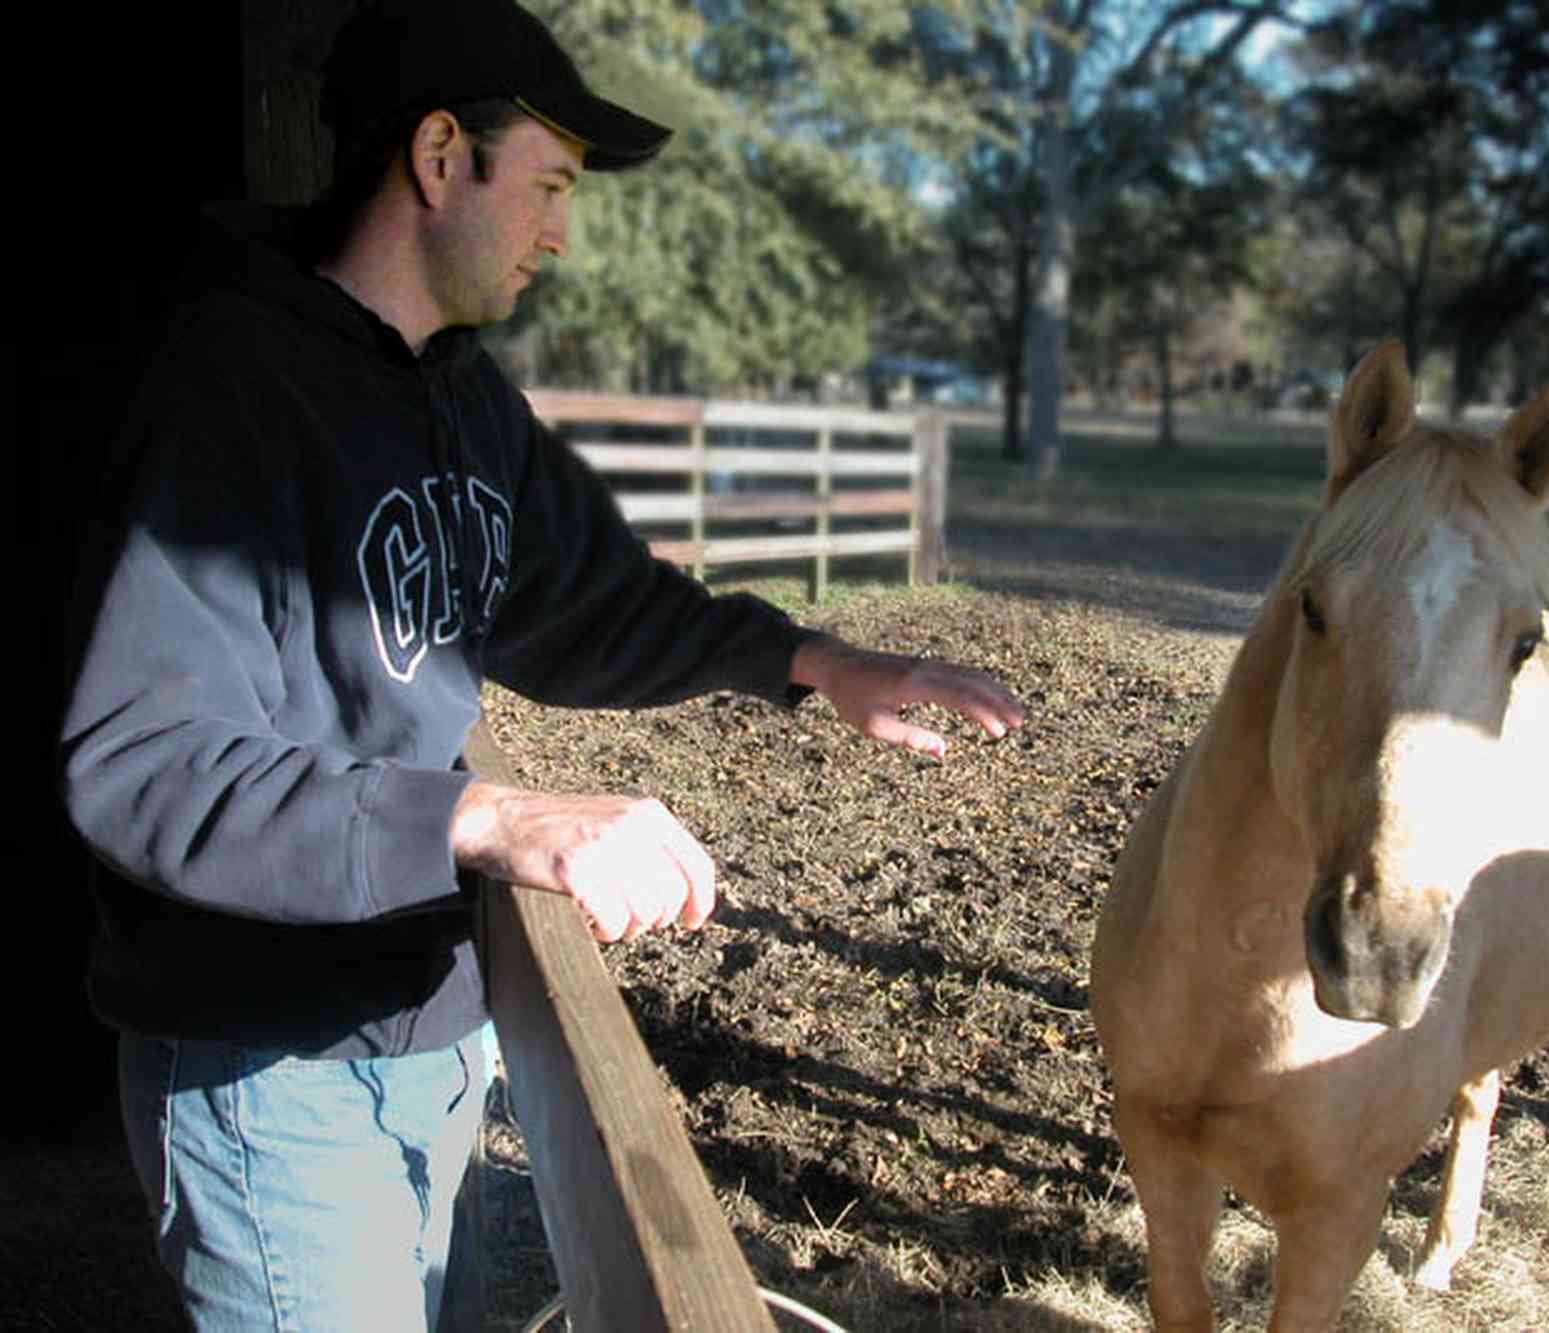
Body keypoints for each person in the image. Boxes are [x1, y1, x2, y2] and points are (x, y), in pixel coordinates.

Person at [56, 1, 1024, 1328]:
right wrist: (501, 814)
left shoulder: (461, 400)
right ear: (441, 157)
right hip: (268, 1066)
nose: (562, 232)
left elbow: (594, 604)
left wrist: (815, 662)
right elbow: (146, 766)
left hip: (432, 1031)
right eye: (552, 187)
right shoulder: (228, 393)